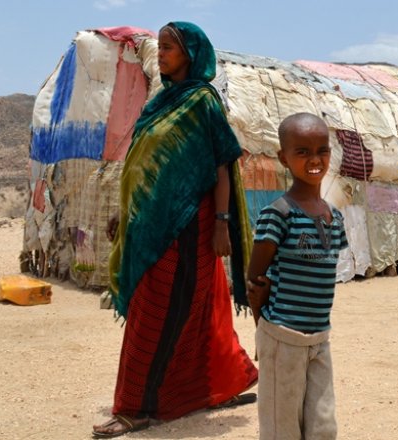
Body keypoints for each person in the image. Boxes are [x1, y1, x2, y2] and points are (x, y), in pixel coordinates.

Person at [92, 22, 258, 439]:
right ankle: (215, 384)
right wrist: (125, 212)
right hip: (150, 226)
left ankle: (137, 408)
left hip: (190, 229)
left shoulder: (203, 102)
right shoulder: (161, 102)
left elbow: (221, 164)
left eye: (169, 47)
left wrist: (222, 224)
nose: (161, 54)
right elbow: (145, 170)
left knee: (161, 314)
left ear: (191, 53)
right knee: (180, 311)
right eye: (160, 47)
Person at [246, 113, 349, 440]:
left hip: (320, 337)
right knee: (282, 428)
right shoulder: (278, 214)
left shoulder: (335, 217)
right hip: (283, 337)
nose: (315, 159)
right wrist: (265, 328)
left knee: (323, 426)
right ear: (283, 158)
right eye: (302, 152)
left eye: (322, 150)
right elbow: (255, 278)